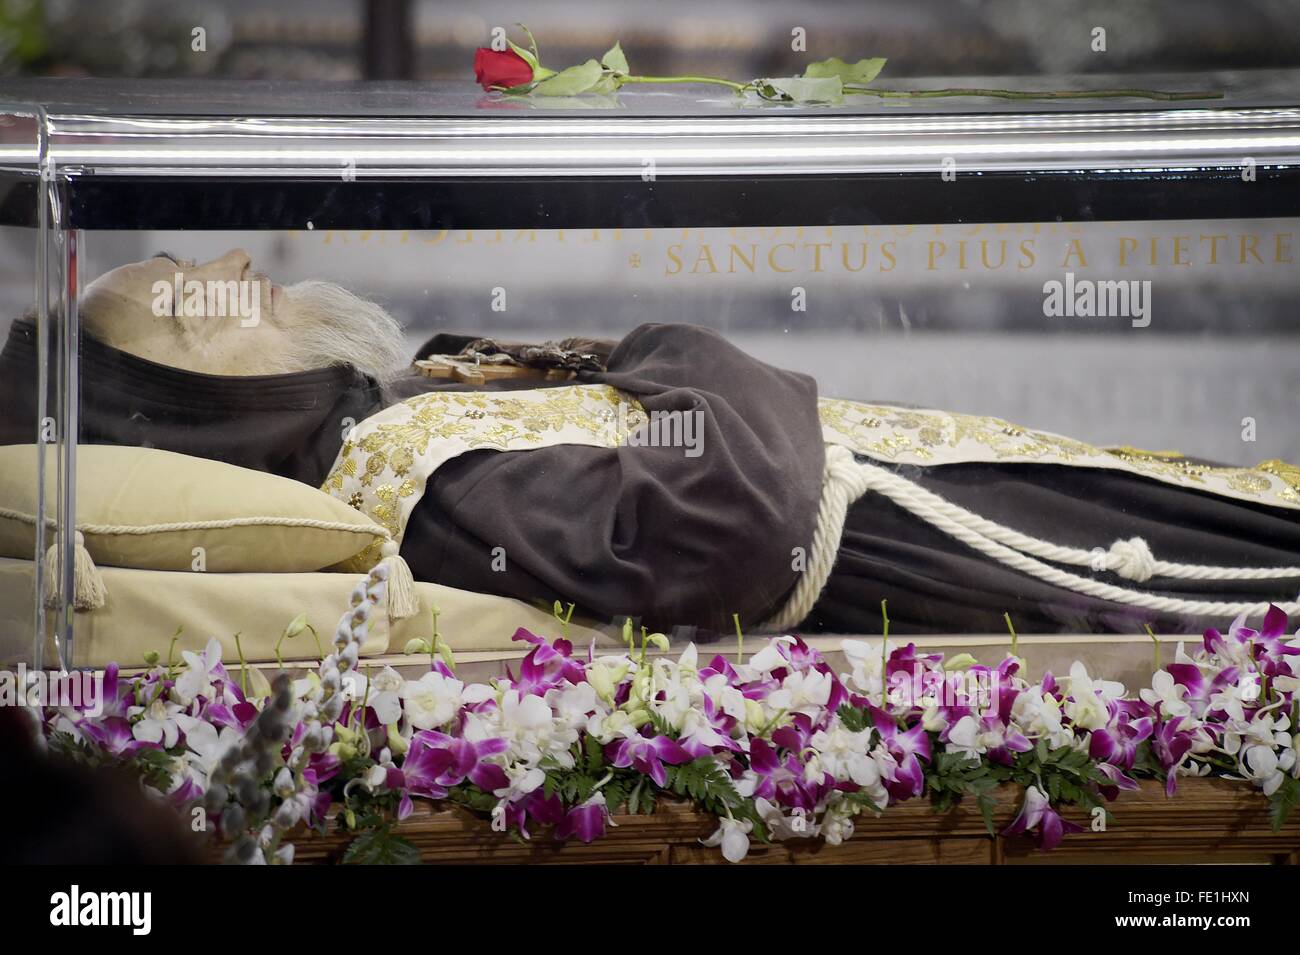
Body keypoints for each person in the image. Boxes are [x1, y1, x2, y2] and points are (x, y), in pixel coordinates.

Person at [3, 249, 1298, 637]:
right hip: (974, 562)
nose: (233, 263)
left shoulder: (400, 419)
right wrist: (666, 345)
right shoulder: (416, 486)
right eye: (191, 292)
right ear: (182, 399)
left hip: (962, 503)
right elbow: (738, 520)